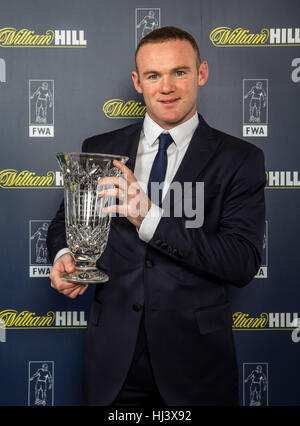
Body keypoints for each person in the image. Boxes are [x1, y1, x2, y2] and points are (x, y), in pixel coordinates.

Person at [47, 26, 266, 406]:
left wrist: (148, 217)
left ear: (202, 73)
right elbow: (63, 224)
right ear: (137, 81)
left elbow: (241, 262)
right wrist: (64, 256)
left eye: (179, 72)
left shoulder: (239, 159)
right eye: (153, 75)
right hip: (114, 363)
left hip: (196, 365)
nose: (166, 87)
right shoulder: (99, 150)